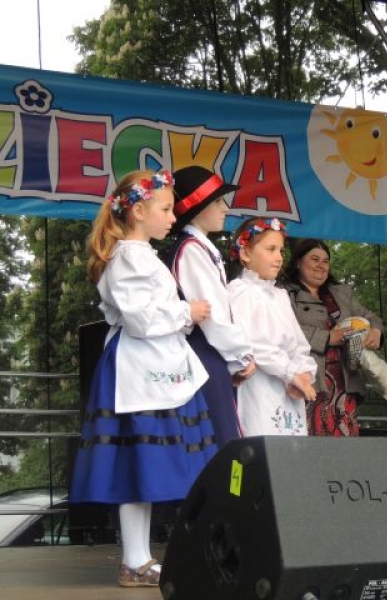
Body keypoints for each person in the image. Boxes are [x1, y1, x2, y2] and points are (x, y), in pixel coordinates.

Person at [70, 169, 216, 587]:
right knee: (139, 459)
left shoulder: (141, 254)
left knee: (145, 461)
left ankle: (139, 558)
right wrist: (187, 311)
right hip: (140, 370)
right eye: (166, 209)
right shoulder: (129, 257)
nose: (172, 217)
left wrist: (182, 316)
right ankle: (135, 559)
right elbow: (140, 319)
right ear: (137, 211)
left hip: (158, 367)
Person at [166, 165, 256, 447]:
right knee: (220, 437)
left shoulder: (199, 247)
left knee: (221, 434)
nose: (225, 208)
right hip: (202, 353)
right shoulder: (191, 250)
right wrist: (241, 355)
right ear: (197, 207)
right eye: (217, 201)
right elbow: (212, 315)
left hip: (210, 352)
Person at [281, 238, 384, 436]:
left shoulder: (341, 293)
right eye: (314, 259)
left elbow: (373, 318)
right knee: (310, 442)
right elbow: (283, 331)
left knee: (345, 444)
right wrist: (328, 337)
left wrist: (376, 331)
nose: (321, 265)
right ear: (298, 262)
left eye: (325, 261)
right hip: (310, 380)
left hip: (346, 381)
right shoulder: (284, 293)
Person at [227, 217, 317, 436]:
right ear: (245, 253)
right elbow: (254, 344)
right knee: (263, 444)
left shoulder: (280, 295)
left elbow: (299, 344)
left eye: (281, 251)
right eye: (270, 249)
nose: (278, 258)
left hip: (289, 391)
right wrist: (291, 374)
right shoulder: (239, 291)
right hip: (259, 389)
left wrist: (305, 373)